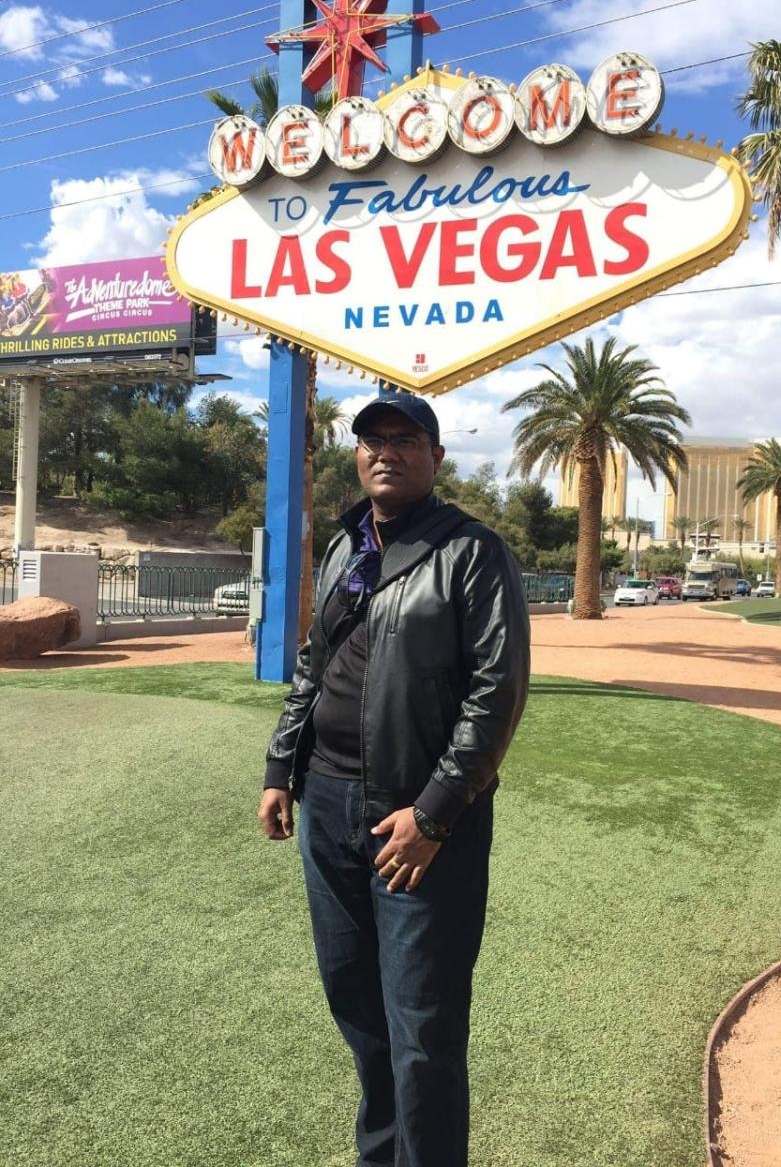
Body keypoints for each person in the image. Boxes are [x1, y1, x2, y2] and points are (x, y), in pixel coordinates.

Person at [258, 392, 530, 1167]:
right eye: (373, 439)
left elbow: (497, 695)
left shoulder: (472, 552)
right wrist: (282, 764)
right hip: (326, 804)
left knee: (423, 1028)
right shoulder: (345, 546)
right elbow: (314, 663)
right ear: (358, 455)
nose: (387, 451)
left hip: (415, 822)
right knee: (359, 1010)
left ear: (435, 457)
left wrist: (435, 814)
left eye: (406, 439)